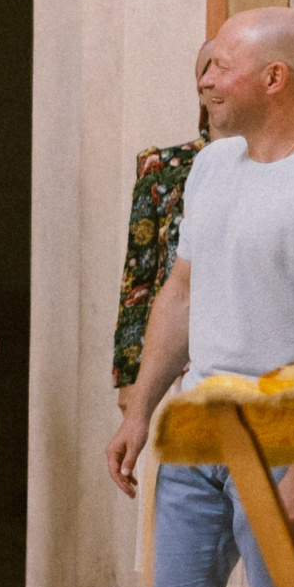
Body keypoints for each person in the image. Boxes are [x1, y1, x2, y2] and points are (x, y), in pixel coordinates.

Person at [106, 7, 294, 587]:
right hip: (199, 430)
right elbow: (180, 295)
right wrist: (140, 411)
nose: (204, 79)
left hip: (286, 445)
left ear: (274, 78)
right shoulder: (211, 167)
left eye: (221, 66)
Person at [114, 41, 216, 395]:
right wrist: (131, 377)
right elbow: (138, 273)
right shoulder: (162, 167)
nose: (214, 79)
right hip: (175, 357)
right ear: (198, 91)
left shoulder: (274, 164)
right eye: (208, 68)